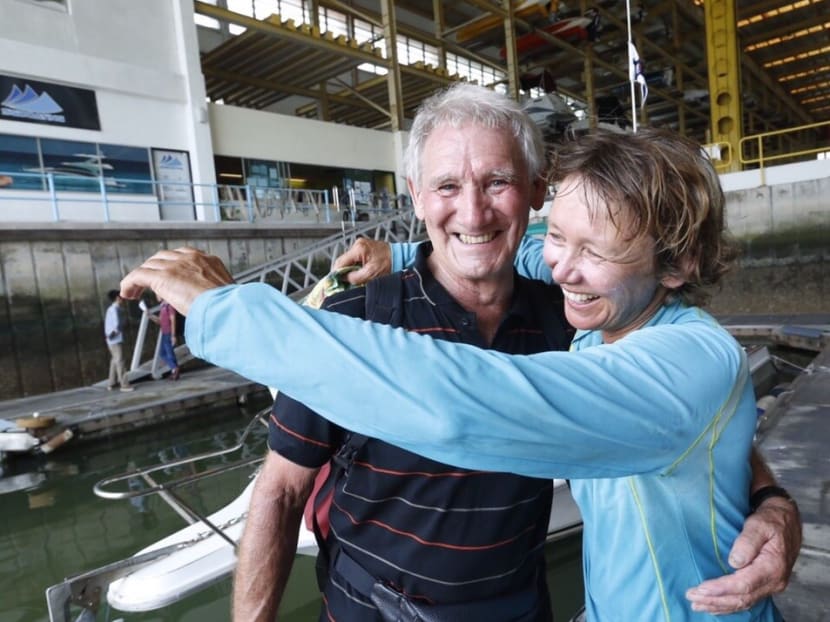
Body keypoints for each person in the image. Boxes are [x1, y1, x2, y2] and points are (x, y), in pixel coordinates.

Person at [120, 128, 802, 619]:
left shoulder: (682, 354)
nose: (563, 266)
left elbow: (469, 401)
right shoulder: (593, 302)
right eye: (561, 235)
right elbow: (520, 247)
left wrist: (230, 312)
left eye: (595, 249)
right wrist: (416, 247)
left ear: (677, 266)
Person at [234, 83, 571, 621]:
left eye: (497, 182)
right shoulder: (350, 321)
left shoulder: (566, 323)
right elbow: (279, 493)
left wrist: (761, 501)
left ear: (535, 190)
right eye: (446, 186)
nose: (473, 211)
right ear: (416, 197)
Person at [104, 289, 134, 392]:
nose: (123, 298)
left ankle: (111, 383)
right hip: (115, 339)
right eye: (121, 296)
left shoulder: (110, 309)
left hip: (110, 339)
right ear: (117, 298)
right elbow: (117, 325)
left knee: (114, 360)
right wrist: (116, 332)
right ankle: (124, 385)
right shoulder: (116, 309)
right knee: (120, 361)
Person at [150, 297, 180, 380]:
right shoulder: (163, 306)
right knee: (163, 353)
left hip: (168, 332)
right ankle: (174, 369)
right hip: (164, 332)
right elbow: (159, 321)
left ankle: (174, 369)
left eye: (157, 294)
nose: (156, 296)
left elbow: (173, 320)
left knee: (168, 352)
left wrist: (173, 335)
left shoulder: (169, 306)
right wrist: (150, 315)